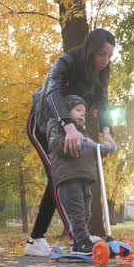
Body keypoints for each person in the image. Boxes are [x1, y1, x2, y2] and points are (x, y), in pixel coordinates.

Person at [24, 28, 117, 256]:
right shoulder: (67, 62)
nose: (105, 61)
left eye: (110, 56)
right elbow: (52, 92)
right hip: (45, 124)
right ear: (91, 49)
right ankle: (78, 237)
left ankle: (36, 239)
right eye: (102, 54)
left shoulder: (99, 73)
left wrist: (107, 132)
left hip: (70, 127)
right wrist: (67, 125)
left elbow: (103, 102)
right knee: (59, 176)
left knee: (59, 178)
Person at [46, 95, 98, 254]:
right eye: (78, 110)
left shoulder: (83, 130)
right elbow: (56, 145)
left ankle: (78, 241)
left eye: (84, 111)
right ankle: (82, 241)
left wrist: (102, 148)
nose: (82, 114)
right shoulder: (57, 126)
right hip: (69, 176)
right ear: (66, 111)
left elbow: (90, 151)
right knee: (76, 210)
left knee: (86, 211)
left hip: (84, 177)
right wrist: (76, 142)